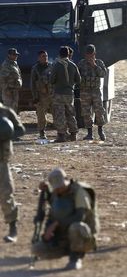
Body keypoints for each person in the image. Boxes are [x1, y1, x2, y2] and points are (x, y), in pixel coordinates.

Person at [32, 168, 99, 270]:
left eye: (61, 186)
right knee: (37, 249)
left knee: (76, 226)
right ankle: (65, 250)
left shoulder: (80, 192)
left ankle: (75, 258)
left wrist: (56, 224)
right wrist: (47, 235)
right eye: (56, 188)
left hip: (83, 235)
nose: (59, 190)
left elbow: (80, 217)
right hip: (63, 236)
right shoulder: (56, 193)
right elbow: (55, 211)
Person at [0, 103, 25, 243]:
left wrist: (6, 134)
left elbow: (20, 130)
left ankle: (12, 229)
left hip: (1, 161)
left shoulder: (5, 111)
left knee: (5, 194)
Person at [50, 46, 81, 142]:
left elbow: (52, 80)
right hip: (69, 93)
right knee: (70, 114)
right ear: (68, 54)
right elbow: (79, 80)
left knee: (60, 114)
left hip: (59, 93)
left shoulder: (56, 65)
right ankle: (73, 134)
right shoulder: (73, 65)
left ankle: (62, 135)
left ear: (59, 54)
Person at [77, 44, 108, 141]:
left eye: (91, 55)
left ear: (94, 54)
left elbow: (103, 74)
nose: (89, 57)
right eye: (87, 55)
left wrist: (95, 66)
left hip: (95, 91)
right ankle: (89, 133)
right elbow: (76, 76)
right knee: (86, 112)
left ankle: (100, 130)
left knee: (99, 111)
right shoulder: (81, 63)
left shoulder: (99, 63)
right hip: (85, 91)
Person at [30, 50, 53, 139]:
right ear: (39, 58)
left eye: (46, 56)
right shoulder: (35, 69)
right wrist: (35, 97)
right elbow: (32, 84)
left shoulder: (51, 66)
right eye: (43, 56)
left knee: (58, 113)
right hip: (41, 95)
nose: (45, 57)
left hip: (52, 94)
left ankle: (61, 132)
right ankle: (42, 132)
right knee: (41, 115)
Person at [0, 48, 22, 113]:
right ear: (9, 55)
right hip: (8, 92)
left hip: (14, 91)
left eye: (16, 55)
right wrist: (6, 90)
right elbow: (2, 79)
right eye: (14, 55)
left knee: (13, 111)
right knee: (8, 111)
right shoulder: (6, 65)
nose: (16, 56)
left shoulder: (14, 64)